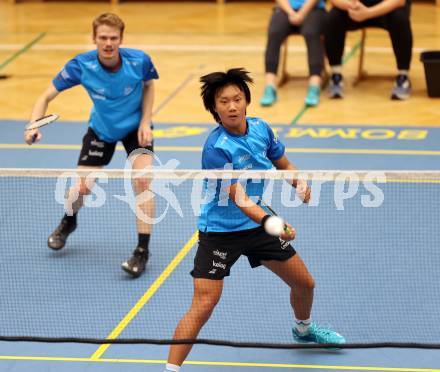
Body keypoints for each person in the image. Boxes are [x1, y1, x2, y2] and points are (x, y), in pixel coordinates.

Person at [164, 68, 345, 372]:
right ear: (214, 109)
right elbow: (239, 198)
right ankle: (171, 370)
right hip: (220, 232)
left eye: (237, 99)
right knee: (204, 304)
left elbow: (283, 163)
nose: (232, 106)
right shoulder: (216, 148)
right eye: (224, 102)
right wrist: (275, 225)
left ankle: (303, 329)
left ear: (247, 101)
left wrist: (298, 183)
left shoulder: (261, 129)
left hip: (256, 226)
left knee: (305, 284)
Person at [23, 13, 159, 278]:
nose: (108, 43)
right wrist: (33, 124)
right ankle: (68, 221)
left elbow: (149, 85)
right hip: (102, 129)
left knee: (143, 182)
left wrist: (146, 121)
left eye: (113, 38)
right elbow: (46, 95)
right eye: (103, 38)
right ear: (94, 38)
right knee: (82, 187)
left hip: (136, 128)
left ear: (121, 39)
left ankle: (142, 251)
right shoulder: (80, 66)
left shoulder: (139, 60)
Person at [325, 0, 413, 100]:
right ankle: (335, 75)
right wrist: (350, 5)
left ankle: (403, 76)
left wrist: (368, 13)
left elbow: (399, 1)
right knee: (333, 17)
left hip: (385, 9)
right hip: (356, 9)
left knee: (399, 17)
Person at [260, 0, 327, 107]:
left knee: (311, 32)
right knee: (274, 32)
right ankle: (270, 86)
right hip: (286, 9)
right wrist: (291, 12)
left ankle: (315, 84)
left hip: (313, 9)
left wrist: (301, 13)